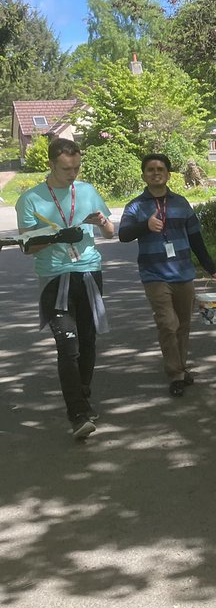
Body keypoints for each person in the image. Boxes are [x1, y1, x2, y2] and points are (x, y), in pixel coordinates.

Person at [16, 137, 115, 438]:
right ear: (51, 164)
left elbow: (111, 233)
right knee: (68, 345)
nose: (72, 174)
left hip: (88, 274)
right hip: (55, 278)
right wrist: (57, 237)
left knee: (87, 343)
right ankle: (78, 414)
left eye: (76, 167)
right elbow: (27, 247)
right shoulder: (30, 199)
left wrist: (101, 222)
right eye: (65, 168)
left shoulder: (86, 191)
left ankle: (83, 396)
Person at [118, 154, 216, 396]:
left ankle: (181, 367)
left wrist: (210, 266)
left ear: (168, 174)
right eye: (151, 169)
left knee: (183, 325)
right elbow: (123, 234)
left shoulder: (181, 203)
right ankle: (175, 373)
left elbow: (196, 238)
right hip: (154, 274)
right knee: (168, 323)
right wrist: (145, 226)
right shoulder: (135, 206)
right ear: (144, 174)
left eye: (161, 169)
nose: (156, 173)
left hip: (183, 273)